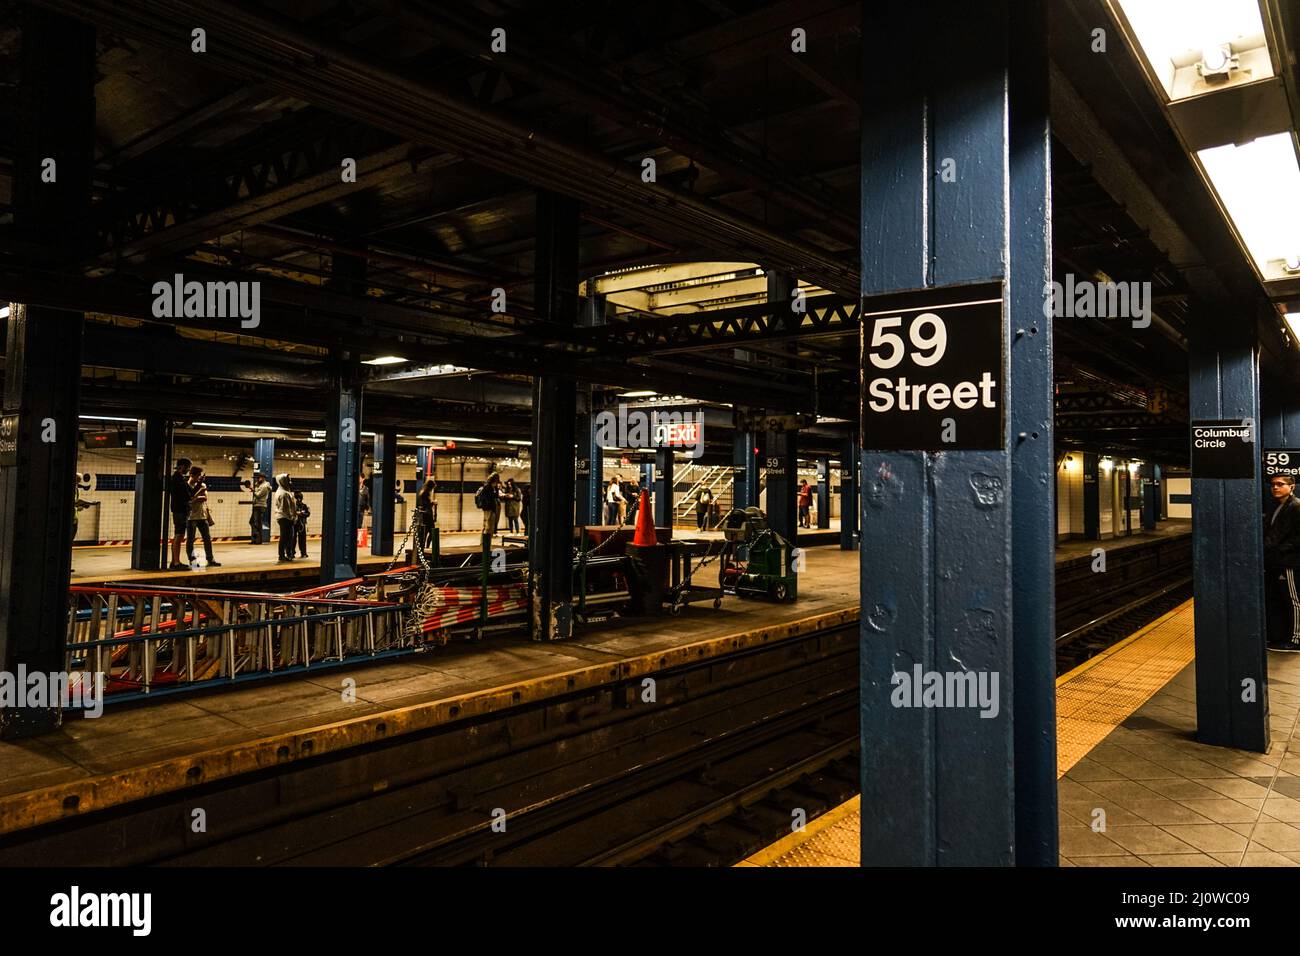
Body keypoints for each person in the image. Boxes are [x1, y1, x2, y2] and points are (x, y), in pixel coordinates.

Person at [1266, 474, 1300, 651]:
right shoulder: (1278, 507)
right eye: (1273, 484)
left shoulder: (1296, 507)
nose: (1275, 487)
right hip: (1279, 562)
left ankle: (1297, 639)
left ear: (1291, 487)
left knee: (1294, 600)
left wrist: (1280, 549)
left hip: (1291, 563)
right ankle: (1281, 636)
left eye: (1280, 484)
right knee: (1281, 600)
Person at [185, 465, 221, 568]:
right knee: (190, 540)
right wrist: (196, 497)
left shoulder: (202, 485)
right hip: (191, 517)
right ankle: (192, 561)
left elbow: (204, 498)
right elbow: (189, 501)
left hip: (202, 516)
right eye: (198, 475)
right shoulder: (187, 486)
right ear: (192, 475)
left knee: (207, 539)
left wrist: (195, 497)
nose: (199, 478)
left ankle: (210, 559)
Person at [167, 458, 194, 570]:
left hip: (179, 509)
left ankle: (175, 561)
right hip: (179, 510)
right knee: (179, 535)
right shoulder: (177, 479)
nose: (188, 470)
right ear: (182, 466)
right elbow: (187, 495)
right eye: (188, 467)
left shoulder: (179, 478)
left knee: (179, 535)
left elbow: (190, 492)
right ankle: (176, 563)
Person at [272, 473, 297, 562]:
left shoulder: (283, 491)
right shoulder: (284, 494)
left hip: (283, 517)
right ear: (283, 481)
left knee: (286, 536)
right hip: (285, 518)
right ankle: (283, 555)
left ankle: (285, 554)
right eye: (288, 480)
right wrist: (292, 518)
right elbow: (286, 509)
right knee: (286, 537)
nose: (290, 482)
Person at [247, 473, 271, 545]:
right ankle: (255, 539)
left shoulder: (265, 486)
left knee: (257, 523)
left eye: (258, 478)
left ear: (263, 478)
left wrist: (253, 489)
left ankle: (257, 540)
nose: (257, 479)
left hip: (260, 506)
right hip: (257, 505)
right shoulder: (260, 485)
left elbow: (258, 495)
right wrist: (255, 488)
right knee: (252, 522)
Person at [477, 472, 502, 538]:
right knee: (487, 526)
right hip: (488, 508)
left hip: (493, 508)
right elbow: (488, 498)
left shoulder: (494, 488)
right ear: (494, 481)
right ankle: (484, 542)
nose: (496, 484)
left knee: (490, 526)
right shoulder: (487, 487)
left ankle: (488, 541)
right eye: (496, 482)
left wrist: (497, 490)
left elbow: (496, 496)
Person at [415, 478, 435, 554]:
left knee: (426, 532)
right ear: (430, 487)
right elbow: (427, 505)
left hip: (424, 515)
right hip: (428, 516)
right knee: (432, 532)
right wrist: (433, 503)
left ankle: (424, 547)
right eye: (432, 488)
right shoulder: (425, 494)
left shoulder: (422, 493)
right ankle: (427, 547)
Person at [293, 490, 311, 558]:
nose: (298, 500)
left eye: (299, 498)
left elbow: (308, 513)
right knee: (293, 539)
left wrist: (301, 514)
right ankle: (292, 552)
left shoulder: (304, 506)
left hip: (302, 524)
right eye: (297, 498)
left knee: (302, 539)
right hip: (294, 524)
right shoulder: (293, 506)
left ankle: (303, 552)